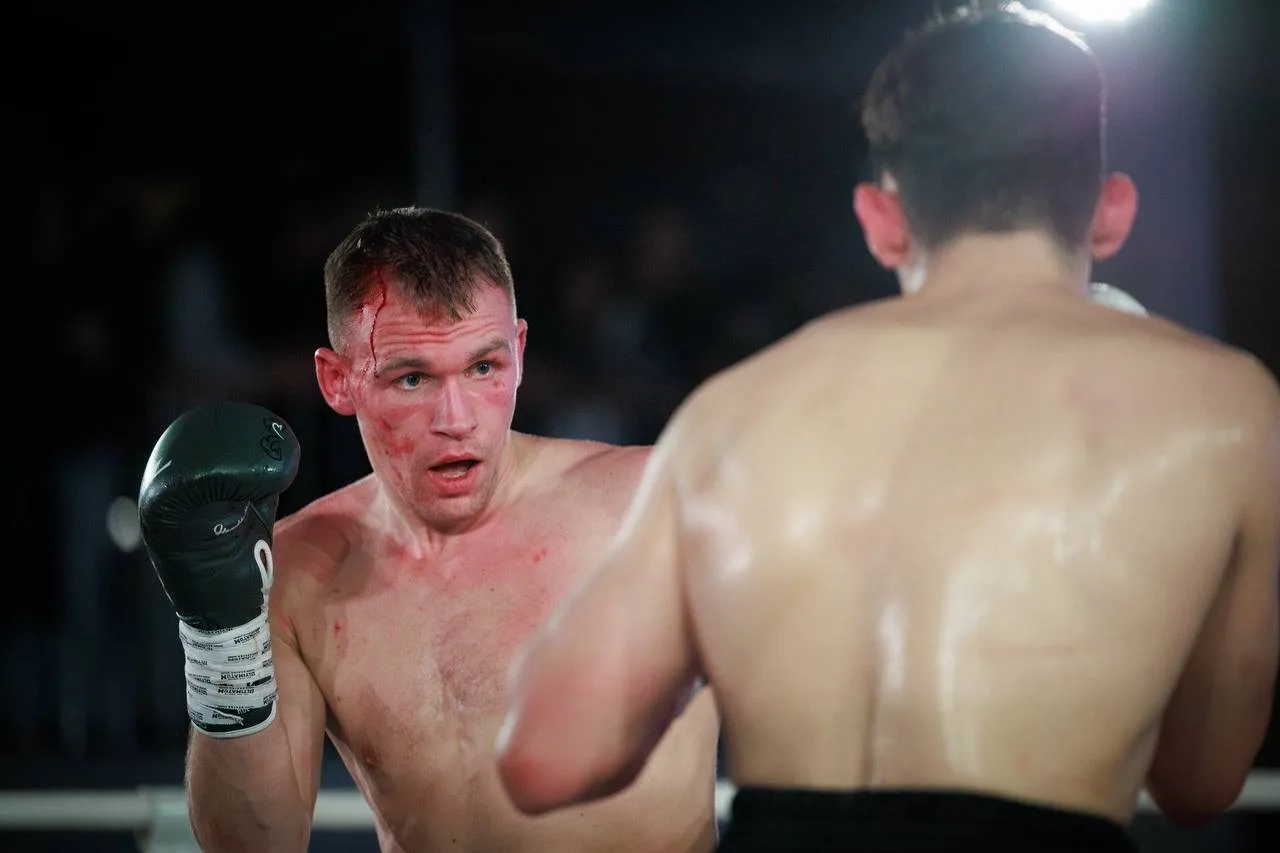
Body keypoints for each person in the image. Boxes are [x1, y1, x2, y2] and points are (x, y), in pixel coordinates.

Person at [496, 4, 1280, 851]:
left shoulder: (733, 413)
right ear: (1111, 211)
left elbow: (547, 754)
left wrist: (725, 627)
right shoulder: (1224, 407)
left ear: (881, 219)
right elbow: (1200, 782)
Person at [137, 207, 721, 853]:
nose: (456, 418)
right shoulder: (298, 571)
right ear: (338, 381)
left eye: (483, 368)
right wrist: (221, 640)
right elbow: (254, 844)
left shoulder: (655, 506)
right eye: (412, 378)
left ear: (519, 352)